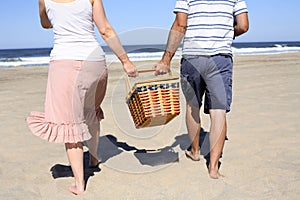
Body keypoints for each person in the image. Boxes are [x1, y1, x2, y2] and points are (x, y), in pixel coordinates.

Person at [26, 0, 138, 195]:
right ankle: (93, 158)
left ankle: (79, 184)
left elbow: (45, 23)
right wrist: (125, 62)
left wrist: (61, 16)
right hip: (94, 62)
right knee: (90, 112)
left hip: (65, 63)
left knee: (69, 124)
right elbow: (105, 30)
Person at [154, 0, 249, 178]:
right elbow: (243, 26)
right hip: (220, 59)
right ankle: (213, 168)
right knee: (218, 112)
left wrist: (166, 59)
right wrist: (229, 33)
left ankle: (195, 151)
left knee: (192, 106)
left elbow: (180, 24)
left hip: (193, 57)